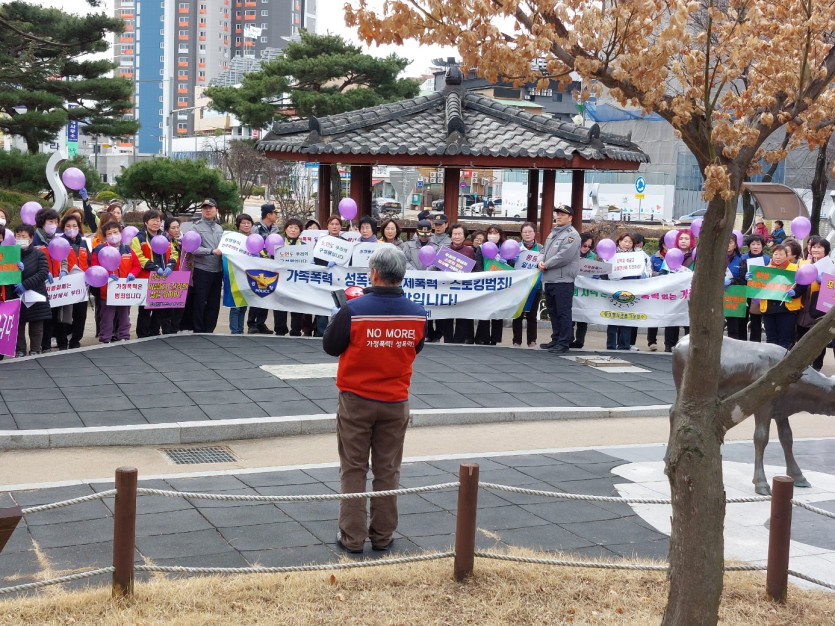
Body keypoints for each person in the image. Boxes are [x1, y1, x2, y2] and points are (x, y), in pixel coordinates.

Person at [323, 246, 427, 554]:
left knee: (353, 468)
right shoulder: (418, 313)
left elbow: (331, 347)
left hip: (356, 399)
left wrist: (335, 318)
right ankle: (382, 535)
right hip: (395, 400)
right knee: (388, 469)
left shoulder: (352, 310)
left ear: (374, 273)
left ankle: (352, 537)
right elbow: (416, 348)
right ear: (402, 275)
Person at [538, 206, 581, 354]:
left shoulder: (572, 235)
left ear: (570, 218)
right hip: (550, 279)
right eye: (557, 214)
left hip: (563, 280)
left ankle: (564, 342)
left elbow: (564, 256)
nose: (558, 216)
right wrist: (539, 262)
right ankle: (556, 339)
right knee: (553, 312)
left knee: (563, 312)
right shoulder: (553, 233)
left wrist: (546, 264)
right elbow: (542, 251)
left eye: (562, 214)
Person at [132, 209, 178, 338]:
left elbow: (174, 253)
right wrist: (154, 268)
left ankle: (154, 332)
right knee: (145, 310)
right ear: (146, 222)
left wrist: (170, 266)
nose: (156, 223)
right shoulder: (139, 238)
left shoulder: (166, 237)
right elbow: (138, 257)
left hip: (163, 278)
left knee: (160, 309)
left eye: (158, 220)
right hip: (146, 278)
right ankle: (142, 334)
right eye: (153, 220)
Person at [92, 221, 140, 344]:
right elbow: (95, 267)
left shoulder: (127, 249)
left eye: (115, 232)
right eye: (109, 233)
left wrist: (132, 274)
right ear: (105, 236)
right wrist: (107, 274)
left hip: (124, 290)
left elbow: (137, 265)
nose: (113, 235)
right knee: (107, 317)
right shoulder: (99, 250)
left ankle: (124, 336)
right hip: (107, 291)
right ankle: (105, 338)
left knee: (124, 315)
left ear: (121, 233)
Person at [11, 225, 51, 357]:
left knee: (36, 326)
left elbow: (43, 273)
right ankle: (20, 350)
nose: (20, 239)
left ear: (31, 238)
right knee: (18, 326)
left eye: (24, 236)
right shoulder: (11, 254)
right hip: (17, 295)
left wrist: (25, 285)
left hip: (36, 295)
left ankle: (35, 349)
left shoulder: (39, 254)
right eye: (18, 236)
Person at [757, 243, 806, 350]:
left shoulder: (795, 269)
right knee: (771, 339)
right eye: (775, 254)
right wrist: (752, 278)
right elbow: (757, 287)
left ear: (786, 256)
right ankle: (770, 360)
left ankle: (783, 360)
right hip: (768, 310)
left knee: (785, 339)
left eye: (781, 254)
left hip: (786, 310)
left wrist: (795, 292)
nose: (778, 257)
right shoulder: (765, 270)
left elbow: (803, 286)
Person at [33, 208, 67, 353]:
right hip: (40, 284)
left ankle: (55, 344)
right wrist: (43, 273)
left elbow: (64, 258)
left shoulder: (58, 239)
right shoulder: (34, 239)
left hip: (56, 284)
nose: (53, 225)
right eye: (50, 221)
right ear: (42, 222)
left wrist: (64, 270)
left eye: (55, 222)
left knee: (55, 315)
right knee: (42, 317)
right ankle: (42, 345)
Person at [53, 213, 89, 350]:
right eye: (68, 226)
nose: (71, 228)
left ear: (79, 227)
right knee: (63, 315)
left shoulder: (84, 242)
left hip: (82, 283)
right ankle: (62, 342)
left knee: (80, 314)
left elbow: (89, 261)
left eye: (74, 226)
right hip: (65, 283)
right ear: (63, 228)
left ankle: (75, 340)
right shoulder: (59, 242)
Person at [796, 236, 831, 370]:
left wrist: (824, 282)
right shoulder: (804, 264)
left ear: (826, 250)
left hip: (818, 308)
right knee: (801, 338)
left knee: (817, 340)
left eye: (819, 247)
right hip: (802, 306)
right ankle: (803, 367)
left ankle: (817, 367)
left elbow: (831, 291)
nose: (816, 249)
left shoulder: (831, 266)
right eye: (814, 247)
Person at [191, 198, 225, 333]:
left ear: (216, 210)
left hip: (218, 271)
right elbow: (192, 249)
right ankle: (198, 329)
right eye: (205, 208)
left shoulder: (219, 228)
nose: (208, 210)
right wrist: (210, 251)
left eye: (211, 208)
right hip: (202, 270)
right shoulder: (196, 228)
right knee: (200, 302)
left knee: (214, 303)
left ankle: (209, 329)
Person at [246, 204, 281, 335]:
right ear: (268, 215)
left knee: (267, 295)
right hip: (257, 266)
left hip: (271, 266)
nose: (277, 215)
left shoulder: (275, 229)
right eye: (275, 213)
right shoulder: (256, 228)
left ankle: (261, 323)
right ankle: (252, 323)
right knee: (257, 294)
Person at [662, 229, 695, 352]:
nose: (683, 241)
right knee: (672, 320)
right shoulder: (671, 255)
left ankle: (688, 347)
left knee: (689, 321)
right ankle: (669, 345)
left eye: (686, 238)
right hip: (673, 294)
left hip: (689, 294)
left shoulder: (696, 256)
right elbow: (662, 273)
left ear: (691, 241)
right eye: (681, 239)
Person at [473, 225, 506, 345]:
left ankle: (495, 338)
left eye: (495, 233)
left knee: (498, 312)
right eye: (490, 233)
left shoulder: (505, 248)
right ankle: (483, 337)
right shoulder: (481, 248)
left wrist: (508, 261)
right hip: (486, 284)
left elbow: (511, 266)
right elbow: (478, 265)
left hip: (501, 284)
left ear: (500, 235)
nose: (493, 235)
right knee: (485, 311)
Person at [511, 222, 542, 348]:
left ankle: (532, 340)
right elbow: (508, 265)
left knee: (532, 315)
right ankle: (516, 340)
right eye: (525, 232)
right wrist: (511, 260)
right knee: (517, 314)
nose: (527, 234)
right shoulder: (515, 247)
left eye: (530, 232)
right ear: (521, 234)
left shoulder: (541, 248)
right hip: (519, 286)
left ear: (535, 233)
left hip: (535, 286)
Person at [447, 223, 476, 344]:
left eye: (460, 234)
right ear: (451, 236)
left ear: (464, 236)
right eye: (455, 234)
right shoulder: (445, 251)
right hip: (447, 288)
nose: (457, 236)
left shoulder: (470, 251)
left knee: (462, 315)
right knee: (447, 316)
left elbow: (473, 270)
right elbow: (438, 268)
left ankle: (459, 340)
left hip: (463, 289)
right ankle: (448, 339)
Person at [739, 233, 770, 342]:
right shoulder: (743, 257)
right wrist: (745, 276)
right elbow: (739, 276)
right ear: (749, 246)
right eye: (753, 244)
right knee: (742, 319)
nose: (755, 247)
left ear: (762, 246)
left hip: (759, 293)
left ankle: (755, 343)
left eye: (758, 244)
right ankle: (742, 342)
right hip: (745, 292)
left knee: (756, 320)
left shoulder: (767, 260)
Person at [229, 213, 255, 335]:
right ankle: (235, 331)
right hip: (235, 275)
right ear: (238, 225)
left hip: (250, 276)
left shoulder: (256, 239)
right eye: (243, 223)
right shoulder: (234, 239)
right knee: (235, 306)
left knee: (244, 306)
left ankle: (240, 330)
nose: (246, 225)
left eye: (248, 223)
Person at [570, 232, 595, 349]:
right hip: (571, 287)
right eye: (584, 245)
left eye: (589, 246)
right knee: (570, 314)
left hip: (585, 289)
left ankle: (580, 340)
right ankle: (568, 338)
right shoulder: (571, 253)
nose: (587, 248)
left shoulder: (592, 256)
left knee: (582, 316)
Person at [724, 234, 746, 340]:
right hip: (718, 296)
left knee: (733, 328)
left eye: (730, 242)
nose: (727, 245)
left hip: (734, 297)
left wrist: (732, 281)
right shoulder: (715, 259)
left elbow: (743, 280)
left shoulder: (741, 260)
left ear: (735, 245)